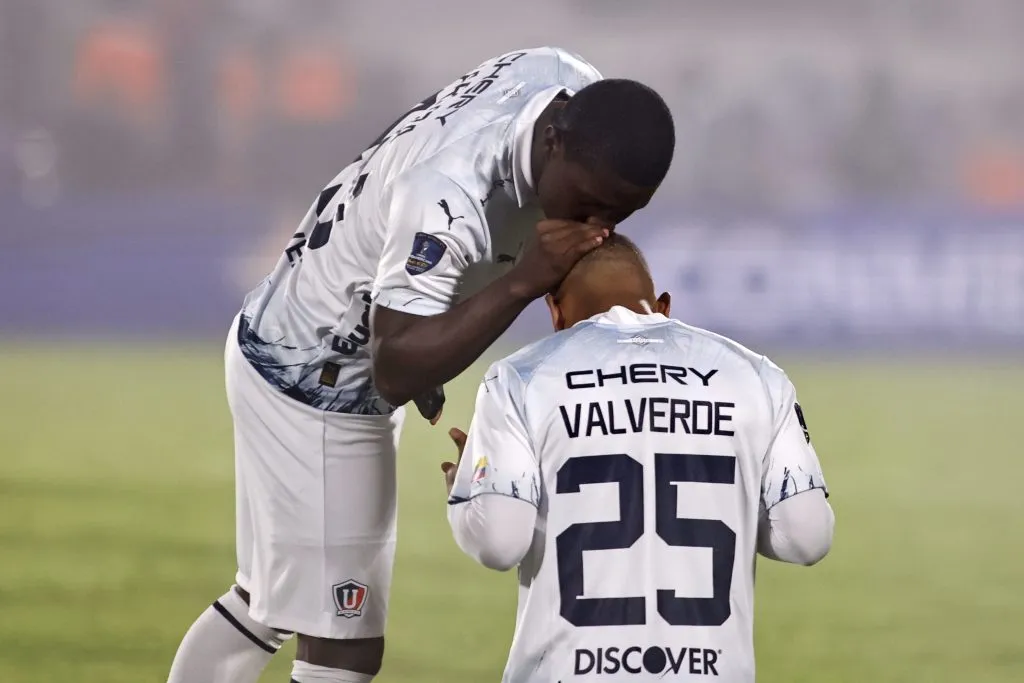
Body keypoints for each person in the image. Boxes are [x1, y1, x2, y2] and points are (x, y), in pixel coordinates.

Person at [166, 47, 676, 683]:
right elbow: (396, 368)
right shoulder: (449, 192)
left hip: (299, 326)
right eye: (592, 201)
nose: (599, 225)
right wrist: (519, 285)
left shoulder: (558, 77)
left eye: (624, 212)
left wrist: (444, 322)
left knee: (267, 602)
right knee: (343, 642)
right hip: (323, 378)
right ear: (552, 141)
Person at [444, 233, 834, 683]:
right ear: (664, 306)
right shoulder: (757, 376)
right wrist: (734, 502)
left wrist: (467, 494)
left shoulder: (520, 378)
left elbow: (498, 543)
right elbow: (807, 538)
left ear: (554, 311)